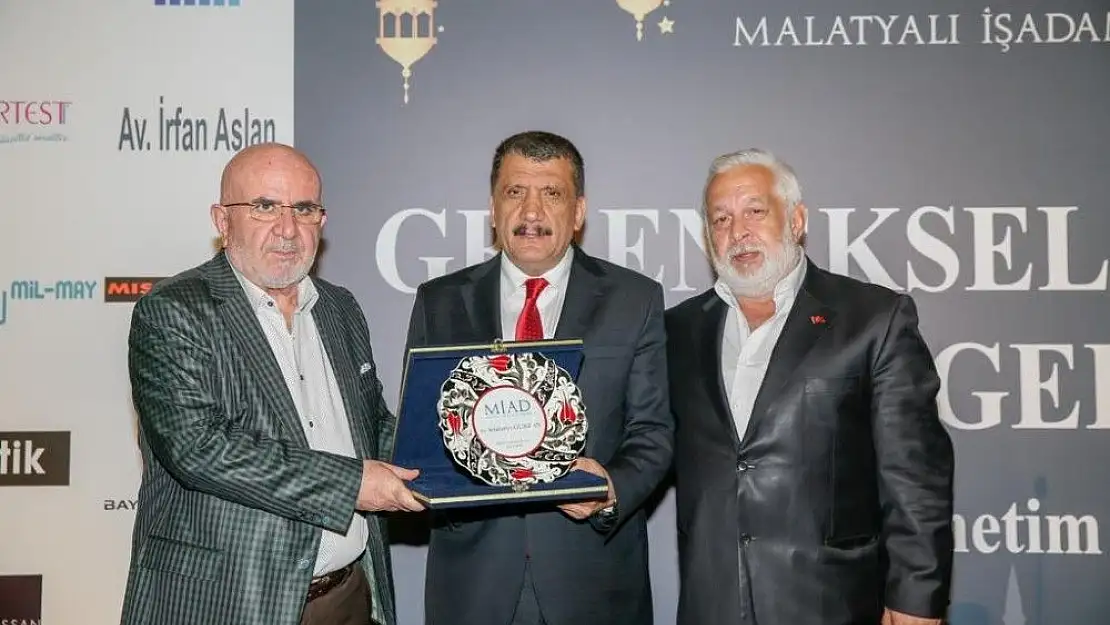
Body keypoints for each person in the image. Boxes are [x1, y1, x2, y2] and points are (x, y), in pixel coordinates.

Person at [119, 142, 424, 625]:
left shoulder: (340, 308)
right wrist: (352, 484)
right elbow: (198, 449)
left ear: (321, 221)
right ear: (223, 221)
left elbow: (371, 428)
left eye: (303, 209)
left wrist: (463, 459)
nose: (287, 228)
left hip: (345, 598)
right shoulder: (174, 310)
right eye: (264, 206)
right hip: (225, 604)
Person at [666, 148, 955, 625]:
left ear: (796, 220)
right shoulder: (677, 331)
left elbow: (915, 474)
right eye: (721, 219)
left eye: (755, 211)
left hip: (832, 604)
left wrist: (917, 598)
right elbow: (650, 443)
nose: (738, 231)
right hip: (712, 606)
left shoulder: (873, 320)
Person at [404, 130, 673, 625]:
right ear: (493, 209)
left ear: (578, 211)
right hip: (473, 583)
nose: (531, 211)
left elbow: (653, 432)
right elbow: (423, 432)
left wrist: (610, 488)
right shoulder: (439, 301)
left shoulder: (634, 299)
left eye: (552, 193)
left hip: (593, 579)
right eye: (515, 192)